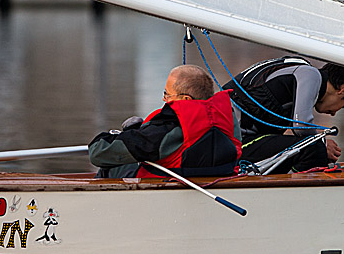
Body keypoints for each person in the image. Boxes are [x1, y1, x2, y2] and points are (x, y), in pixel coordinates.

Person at [89, 65, 241, 179]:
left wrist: (130, 134)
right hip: (220, 182)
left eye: (167, 94)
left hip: (167, 192)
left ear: (186, 100)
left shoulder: (166, 129)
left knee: (111, 165)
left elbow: (98, 152)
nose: (164, 99)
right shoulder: (229, 122)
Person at [223, 57, 344, 173]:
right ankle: (296, 195)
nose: (333, 113)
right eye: (342, 105)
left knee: (309, 148)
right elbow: (301, 126)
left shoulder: (295, 72)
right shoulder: (310, 74)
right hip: (231, 146)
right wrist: (323, 143)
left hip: (233, 145)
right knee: (314, 148)